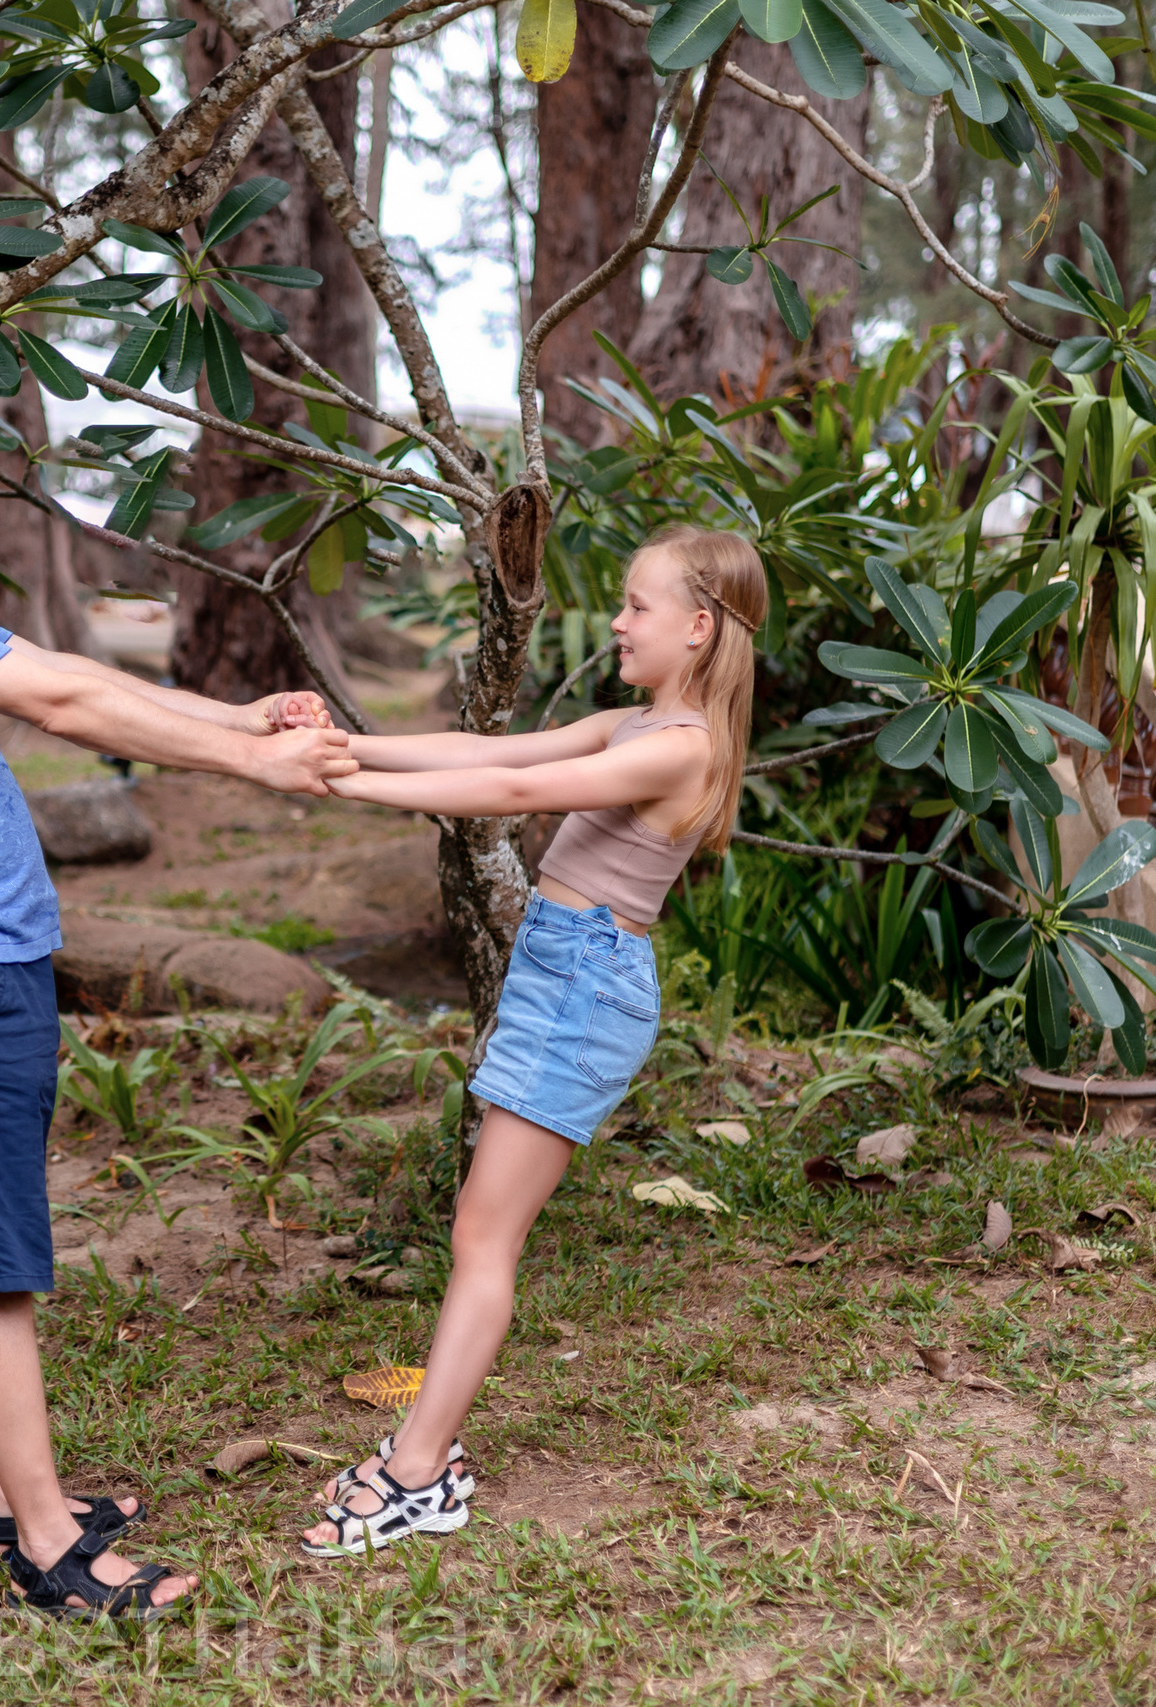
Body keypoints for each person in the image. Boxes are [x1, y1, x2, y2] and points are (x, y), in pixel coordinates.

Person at [0, 304, 355, 1618]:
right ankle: (49, 1545)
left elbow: (58, 670)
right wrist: (254, 758)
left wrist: (230, 708)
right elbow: (62, 700)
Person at [296, 524, 764, 1556]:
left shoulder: (681, 749)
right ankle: (427, 1456)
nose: (616, 622)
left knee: (482, 1240)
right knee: (479, 1231)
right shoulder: (637, 723)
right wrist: (346, 744)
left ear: (697, 627)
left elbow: (509, 797)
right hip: (561, 977)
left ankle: (419, 1472)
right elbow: (490, 752)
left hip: (584, 991)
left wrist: (345, 786)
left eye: (636, 606)